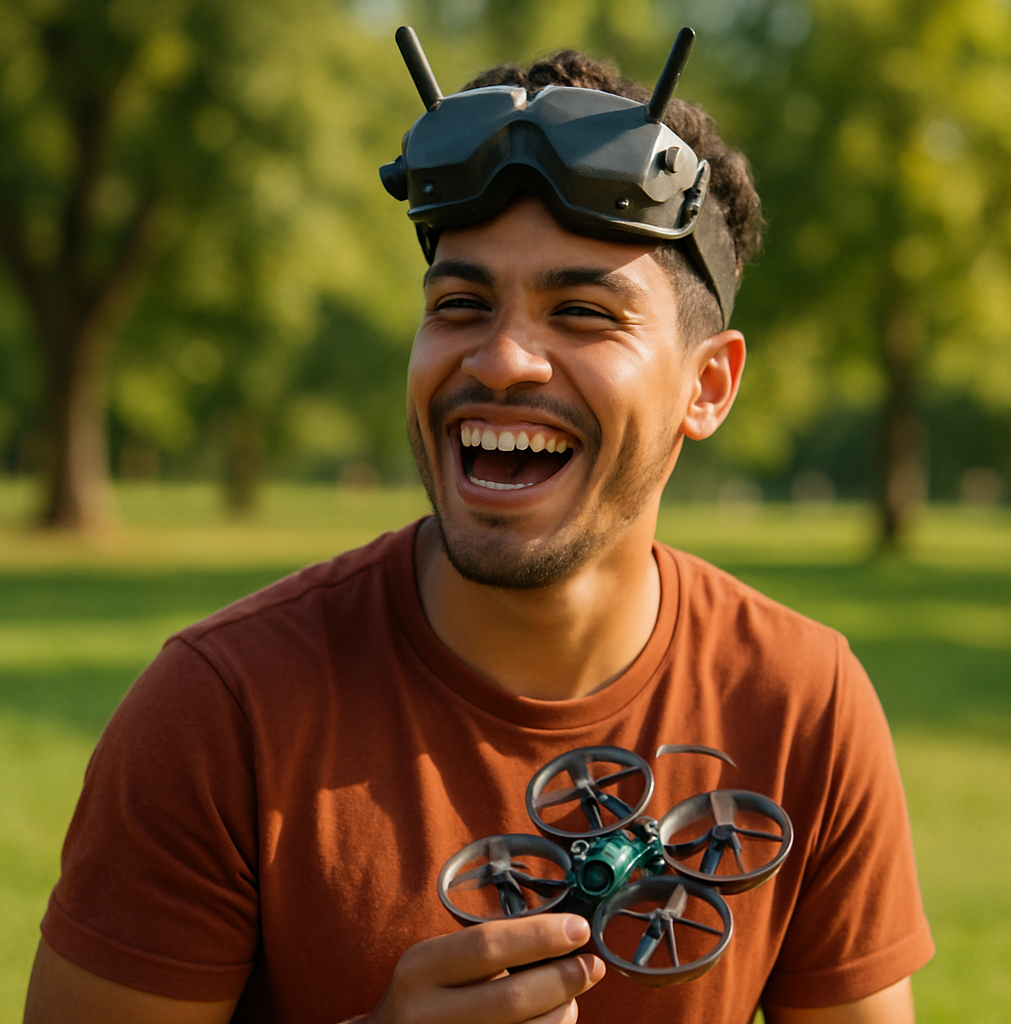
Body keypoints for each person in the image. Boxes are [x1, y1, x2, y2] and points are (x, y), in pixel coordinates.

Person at [24, 27, 933, 1024]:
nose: (502, 359)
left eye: (582, 314)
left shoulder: (804, 705)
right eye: (459, 302)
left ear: (707, 385)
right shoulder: (223, 714)